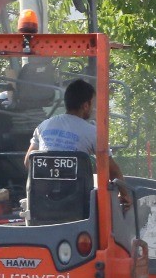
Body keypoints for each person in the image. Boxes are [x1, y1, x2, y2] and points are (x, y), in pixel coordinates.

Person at [25, 78, 131, 207]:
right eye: (93, 104)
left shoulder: (43, 126)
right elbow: (112, 170)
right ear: (85, 106)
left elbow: (28, 162)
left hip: (42, 204)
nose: (93, 109)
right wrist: (125, 195)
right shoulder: (93, 132)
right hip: (78, 205)